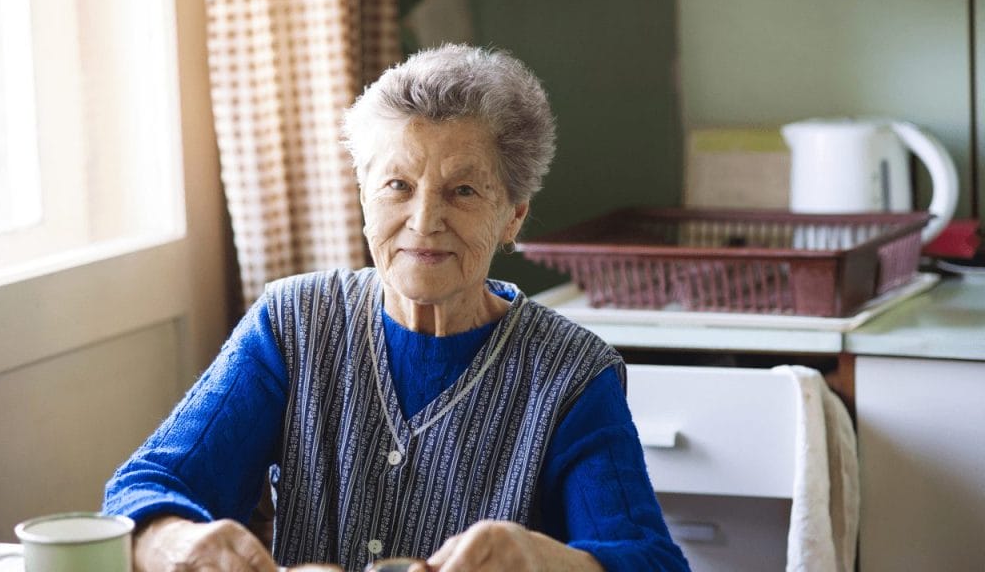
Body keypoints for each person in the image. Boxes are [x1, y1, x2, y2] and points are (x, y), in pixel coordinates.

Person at [104, 43, 690, 572]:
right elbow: (144, 487)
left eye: (462, 190)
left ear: (513, 214)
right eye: (397, 186)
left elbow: (652, 562)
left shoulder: (570, 375)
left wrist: (543, 560)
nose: (424, 221)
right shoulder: (293, 324)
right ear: (362, 195)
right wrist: (172, 540)